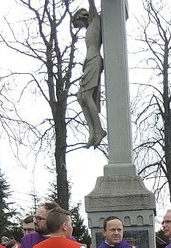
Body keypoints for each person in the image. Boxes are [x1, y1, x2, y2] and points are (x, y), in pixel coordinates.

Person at [74, 0, 106, 148]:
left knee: (86, 96)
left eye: (77, 24)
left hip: (94, 60)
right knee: (80, 97)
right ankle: (92, 131)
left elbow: (92, 3)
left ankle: (99, 130)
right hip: (89, 62)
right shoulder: (89, 27)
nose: (79, 27)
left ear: (82, 17)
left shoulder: (94, 20)